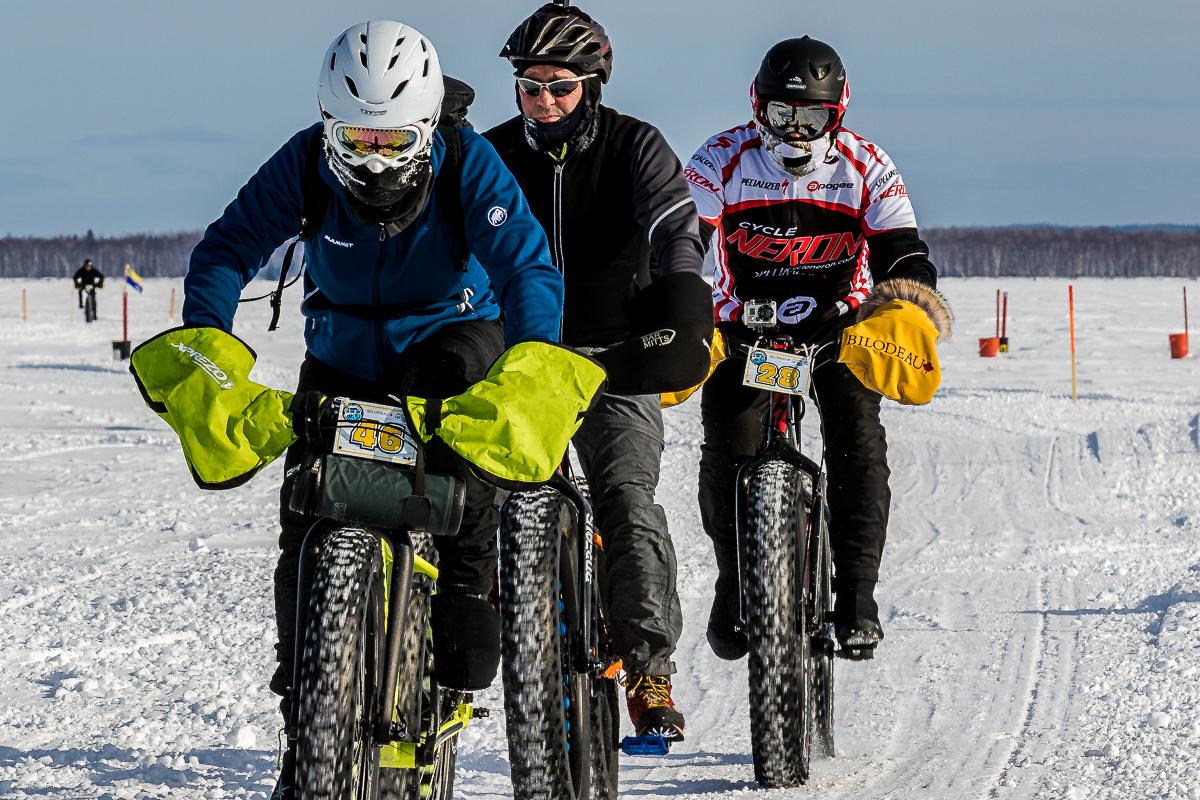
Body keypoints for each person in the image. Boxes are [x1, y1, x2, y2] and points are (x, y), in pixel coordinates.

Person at [179, 21, 564, 798]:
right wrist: (207, 347)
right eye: (358, 136)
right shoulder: (303, 164)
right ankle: (306, 715)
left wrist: (527, 364)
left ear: (425, 127)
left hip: (453, 335)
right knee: (307, 511)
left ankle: (460, 591)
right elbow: (226, 250)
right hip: (345, 352)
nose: (375, 157)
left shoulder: (467, 161)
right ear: (329, 126)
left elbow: (525, 264)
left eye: (393, 140)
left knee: (463, 447)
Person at [484, 3, 710, 743]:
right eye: (530, 86)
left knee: (625, 494)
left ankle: (648, 671)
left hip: (616, 351)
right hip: (518, 357)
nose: (543, 102)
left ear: (593, 84)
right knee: (474, 490)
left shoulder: (635, 145)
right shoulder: (487, 154)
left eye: (560, 87)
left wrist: (681, 301)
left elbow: (675, 226)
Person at [685, 36, 952, 662]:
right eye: (783, 115)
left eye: (812, 117)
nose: (796, 131)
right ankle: (733, 577)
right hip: (744, 327)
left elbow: (904, 251)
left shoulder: (869, 165)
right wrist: (666, 295)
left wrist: (909, 301)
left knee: (856, 431)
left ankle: (857, 595)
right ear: (759, 107)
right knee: (727, 442)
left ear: (838, 111)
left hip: (838, 327)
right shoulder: (720, 158)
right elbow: (681, 242)